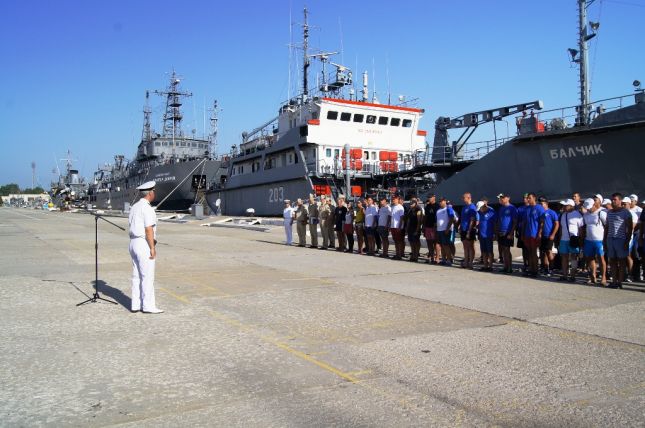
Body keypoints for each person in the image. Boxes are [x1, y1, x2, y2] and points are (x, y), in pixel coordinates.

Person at [128, 181, 163, 314]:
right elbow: (148, 229)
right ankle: (148, 306)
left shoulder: (134, 207)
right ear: (150, 193)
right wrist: (152, 248)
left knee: (136, 276)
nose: (154, 193)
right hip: (143, 243)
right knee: (147, 276)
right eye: (153, 191)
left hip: (133, 242)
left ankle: (135, 305)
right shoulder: (147, 208)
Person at [605, 193, 634, 288]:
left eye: (615, 199)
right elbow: (607, 227)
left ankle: (620, 282)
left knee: (621, 261)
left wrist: (627, 241)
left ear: (620, 201)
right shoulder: (609, 212)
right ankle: (614, 281)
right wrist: (604, 240)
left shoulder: (626, 212)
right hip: (610, 238)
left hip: (621, 239)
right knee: (612, 261)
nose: (613, 201)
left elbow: (630, 228)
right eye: (612, 199)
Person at [581, 197, 607, 285]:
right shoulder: (586, 214)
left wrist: (605, 239)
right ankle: (593, 277)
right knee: (590, 258)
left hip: (599, 240)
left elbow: (607, 226)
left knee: (601, 259)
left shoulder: (601, 213)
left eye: (590, 207)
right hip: (588, 240)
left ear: (594, 205)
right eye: (587, 208)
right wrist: (582, 239)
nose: (588, 209)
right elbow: (584, 227)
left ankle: (603, 278)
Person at [558, 199, 584, 282]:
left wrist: (581, 240)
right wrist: (560, 238)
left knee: (574, 257)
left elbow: (581, 229)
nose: (564, 207)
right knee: (564, 257)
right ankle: (565, 275)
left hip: (574, 239)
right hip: (563, 239)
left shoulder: (577, 215)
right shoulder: (563, 215)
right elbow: (561, 228)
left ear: (571, 206)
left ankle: (573, 276)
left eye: (565, 205)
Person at [522, 193, 544, 277]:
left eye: (530, 198)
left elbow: (542, 222)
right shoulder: (527, 209)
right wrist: (523, 234)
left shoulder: (539, 208)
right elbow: (524, 222)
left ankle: (535, 271)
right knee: (529, 252)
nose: (528, 199)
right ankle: (531, 269)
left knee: (534, 252)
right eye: (527, 198)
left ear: (534, 198)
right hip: (527, 234)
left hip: (534, 234)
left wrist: (539, 233)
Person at [496, 193, 517, 274]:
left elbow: (515, 222)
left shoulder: (512, 208)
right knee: (503, 250)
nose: (501, 199)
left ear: (508, 198)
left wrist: (511, 233)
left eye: (503, 198)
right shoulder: (501, 208)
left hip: (508, 232)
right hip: (501, 232)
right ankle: (505, 266)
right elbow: (499, 221)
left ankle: (509, 268)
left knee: (507, 249)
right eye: (501, 198)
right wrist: (498, 231)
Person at [538, 197, 559, 277]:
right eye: (540, 203)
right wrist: (539, 233)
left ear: (546, 204)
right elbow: (541, 224)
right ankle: (545, 268)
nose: (540, 205)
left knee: (549, 251)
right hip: (543, 235)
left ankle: (552, 268)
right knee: (543, 252)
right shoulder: (541, 213)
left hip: (549, 235)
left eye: (542, 203)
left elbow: (557, 224)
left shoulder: (552, 212)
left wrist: (553, 234)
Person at [459, 193, 479, 269]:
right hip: (463, 229)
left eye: (464, 197)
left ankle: (471, 263)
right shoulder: (464, 207)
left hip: (469, 229)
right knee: (465, 246)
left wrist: (469, 231)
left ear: (469, 198)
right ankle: (466, 262)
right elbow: (462, 218)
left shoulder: (472, 207)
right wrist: (460, 226)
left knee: (470, 246)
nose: (463, 199)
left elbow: (472, 220)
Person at [436, 197, 458, 266]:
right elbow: (437, 221)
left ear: (445, 201)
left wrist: (447, 229)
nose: (440, 202)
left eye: (441, 201)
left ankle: (449, 260)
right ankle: (443, 259)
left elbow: (452, 218)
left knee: (446, 245)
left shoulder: (448, 208)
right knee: (442, 246)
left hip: (445, 230)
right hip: (439, 230)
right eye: (439, 201)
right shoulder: (438, 210)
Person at [477, 200, 496, 271]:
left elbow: (495, 224)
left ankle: (490, 266)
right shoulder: (479, 212)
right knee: (484, 251)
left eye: (480, 208)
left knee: (490, 251)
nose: (479, 210)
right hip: (482, 235)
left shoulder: (491, 212)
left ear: (484, 206)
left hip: (489, 235)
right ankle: (485, 266)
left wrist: (495, 234)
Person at [628, 194, 642, 281]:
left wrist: (633, 230)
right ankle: (630, 274)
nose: (631, 202)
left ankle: (637, 275)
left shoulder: (639, 210)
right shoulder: (626, 210)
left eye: (632, 201)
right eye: (630, 201)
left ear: (636, 202)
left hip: (636, 235)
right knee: (628, 255)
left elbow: (639, 224)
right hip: (629, 235)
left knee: (636, 255)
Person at [423, 195, 440, 264]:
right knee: (429, 242)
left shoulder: (437, 206)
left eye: (430, 197)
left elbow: (438, 217)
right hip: (428, 226)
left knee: (436, 243)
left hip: (434, 227)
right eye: (428, 197)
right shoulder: (427, 206)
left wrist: (436, 226)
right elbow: (425, 217)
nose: (429, 199)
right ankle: (432, 257)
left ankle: (437, 258)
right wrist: (424, 226)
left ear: (434, 197)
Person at [516, 194, 530, 273]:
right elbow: (517, 220)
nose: (524, 199)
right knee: (524, 249)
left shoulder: (531, 208)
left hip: (529, 231)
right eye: (524, 198)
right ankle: (525, 264)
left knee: (530, 249)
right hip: (521, 231)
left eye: (526, 198)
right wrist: (517, 230)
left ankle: (531, 265)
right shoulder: (520, 208)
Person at [390, 195, 406, 260]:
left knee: (399, 241)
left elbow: (402, 218)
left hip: (398, 227)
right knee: (396, 241)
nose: (393, 200)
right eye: (393, 199)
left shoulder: (400, 207)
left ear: (398, 199)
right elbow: (391, 217)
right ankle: (397, 254)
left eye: (395, 199)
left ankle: (399, 255)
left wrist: (399, 227)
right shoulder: (392, 207)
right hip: (393, 226)